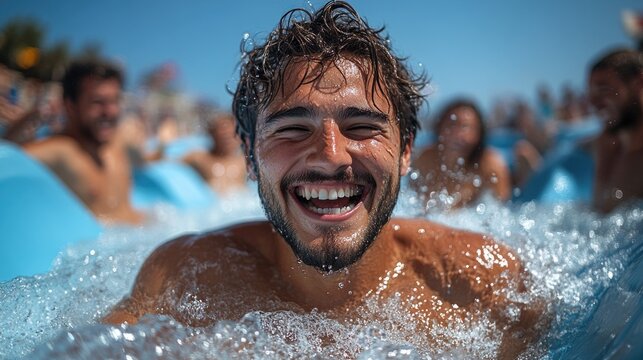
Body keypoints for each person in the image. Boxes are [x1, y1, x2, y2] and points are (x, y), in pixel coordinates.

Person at [104, 2, 544, 357]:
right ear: (250, 157)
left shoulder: (484, 286)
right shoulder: (184, 279)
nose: (332, 156)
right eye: (293, 129)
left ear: (406, 150)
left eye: (362, 127)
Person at [22, 58, 145, 224]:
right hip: (103, 247)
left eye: (114, 101)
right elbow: (10, 160)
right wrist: (20, 124)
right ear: (70, 105)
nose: (110, 111)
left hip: (141, 232)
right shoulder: (61, 150)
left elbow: (149, 162)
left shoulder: (116, 143)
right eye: (98, 102)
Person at [411, 99, 511, 209]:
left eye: (466, 127)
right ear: (439, 127)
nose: (458, 135)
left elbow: (501, 210)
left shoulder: (491, 165)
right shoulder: (424, 159)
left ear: (479, 134)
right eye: (452, 125)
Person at [588, 48, 643, 213]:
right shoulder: (609, 145)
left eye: (604, 90)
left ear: (639, 83)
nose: (594, 103)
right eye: (591, 94)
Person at [182, 113, 247, 195]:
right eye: (223, 135)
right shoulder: (201, 158)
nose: (227, 139)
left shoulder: (244, 161)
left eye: (230, 135)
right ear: (212, 135)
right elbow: (168, 162)